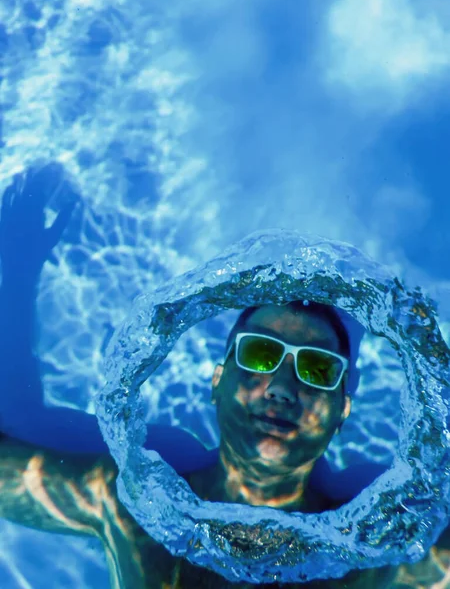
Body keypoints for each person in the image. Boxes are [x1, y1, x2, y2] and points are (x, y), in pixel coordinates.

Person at [0, 167, 442, 588]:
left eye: (318, 368)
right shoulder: (122, 501)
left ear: (342, 409)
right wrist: (16, 269)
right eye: (260, 354)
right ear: (218, 379)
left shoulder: (390, 545)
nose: (283, 388)